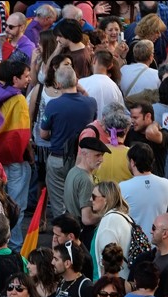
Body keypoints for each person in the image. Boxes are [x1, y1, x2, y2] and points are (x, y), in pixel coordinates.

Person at [0, 60, 32, 250]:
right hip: (14, 162)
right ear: (15, 79)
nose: (29, 79)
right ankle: (15, 246)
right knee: (16, 207)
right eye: (26, 76)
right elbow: (21, 135)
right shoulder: (18, 99)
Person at [40, 65, 97, 219]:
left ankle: (63, 230)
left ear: (58, 84)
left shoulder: (53, 105)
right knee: (82, 199)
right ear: (76, 81)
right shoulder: (90, 103)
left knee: (59, 202)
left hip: (58, 158)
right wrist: (83, 91)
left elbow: (43, 134)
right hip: (82, 158)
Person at [120, 143, 168, 238]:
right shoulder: (166, 184)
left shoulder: (123, 187)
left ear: (132, 162)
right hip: (160, 242)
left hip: (134, 244)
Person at [63, 137, 110, 230]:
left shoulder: (73, 170)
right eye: (97, 155)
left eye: (102, 155)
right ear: (84, 154)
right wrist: (107, 214)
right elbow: (87, 219)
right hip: (81, 230)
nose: (101, 159)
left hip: (70, 224)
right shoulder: (86, 180)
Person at [92, 181, 134, 280]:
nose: (90, 199)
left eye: (94, 196)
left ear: (106, 199)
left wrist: (103, 287)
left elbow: (109, 263)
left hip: (110, 285)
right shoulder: (121, 216)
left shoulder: (109, 222)